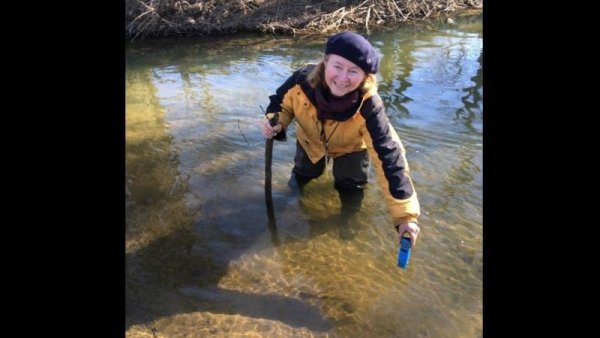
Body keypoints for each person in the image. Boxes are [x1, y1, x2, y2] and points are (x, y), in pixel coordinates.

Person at [261, 31, 421, 246]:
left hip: (351, 148)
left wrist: (405, 217)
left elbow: (389, 157)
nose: (343, 78)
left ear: (365, 76)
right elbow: (280, 104)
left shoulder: (370, 106)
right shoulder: (301, 80)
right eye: (337, 67)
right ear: (325, 63)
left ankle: (349, 216)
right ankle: (294, 196)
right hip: (310, 141)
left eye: (354, 71)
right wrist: (277, 123)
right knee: (303, 173)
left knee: (351, 185)